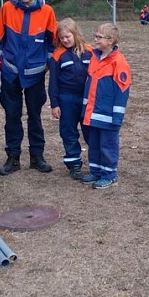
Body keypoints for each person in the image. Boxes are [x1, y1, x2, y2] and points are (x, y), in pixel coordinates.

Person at [0, 0, 57, 175]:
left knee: (35, 116)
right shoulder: (7, 8)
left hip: (35, 74)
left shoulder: (47, 11)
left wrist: (46, 63)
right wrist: (3, 62)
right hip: (11, 72)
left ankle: (37, 157)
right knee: (12, 116)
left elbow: (52, 42)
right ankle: (13, 158)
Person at [79, 23, 131, 189]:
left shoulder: (119, 62)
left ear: (111, 40)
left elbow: (122, 91)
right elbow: (89, 86)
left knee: (108, 146)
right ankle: (96, 171)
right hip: (92, 113)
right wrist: (85, 109)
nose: (95, 39)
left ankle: (109, 174)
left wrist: (117, 117)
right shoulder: (95, 57)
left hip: (108, 116)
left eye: (99, 37)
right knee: (93, 144)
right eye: (96, 36)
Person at [47, 18, 93, 180]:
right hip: (66, 99)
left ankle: (96, 163)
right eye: (62, 38)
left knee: (90, 131)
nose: (65, 40)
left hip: (87, 100)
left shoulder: (90, 51)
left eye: (68, 36)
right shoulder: (57, 56)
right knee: (68, 132)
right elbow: (53, 82)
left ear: (75, 34)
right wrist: (54, 104)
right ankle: (74, 164)